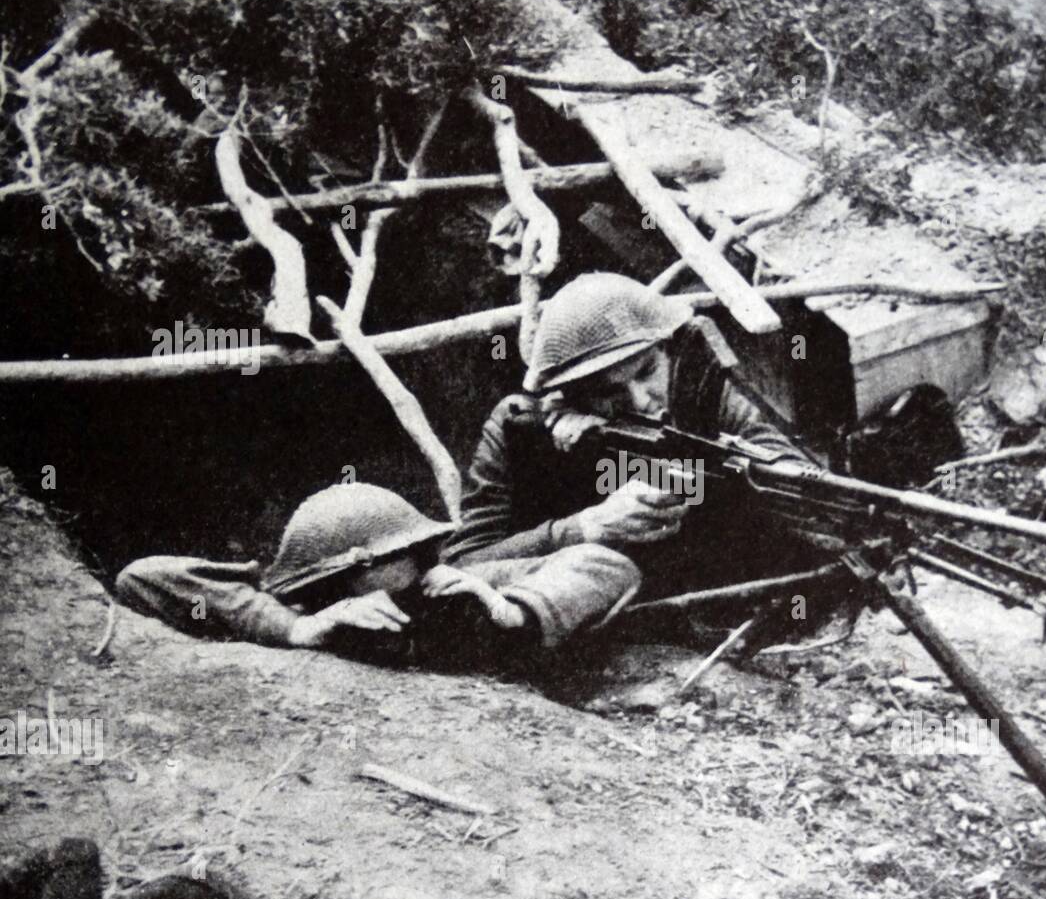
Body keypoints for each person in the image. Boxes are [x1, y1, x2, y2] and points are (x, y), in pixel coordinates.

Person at [441, 272, 822, 601]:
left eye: (647, 371)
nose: (641, 401)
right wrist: (584, 528)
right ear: (568, 393)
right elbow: (462, 564)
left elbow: (796, 477)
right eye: (609, 393)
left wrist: (689, 479)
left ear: (668, 352)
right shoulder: (521, 427)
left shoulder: (706, 401)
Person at [115, 482, 640, 668]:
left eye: (419, 553)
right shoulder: (295, 612)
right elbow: (142, 578)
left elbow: (608, 562)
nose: (420, 566)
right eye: (397, 557)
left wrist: (507, 608)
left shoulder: (451, 587)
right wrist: (296, 629)